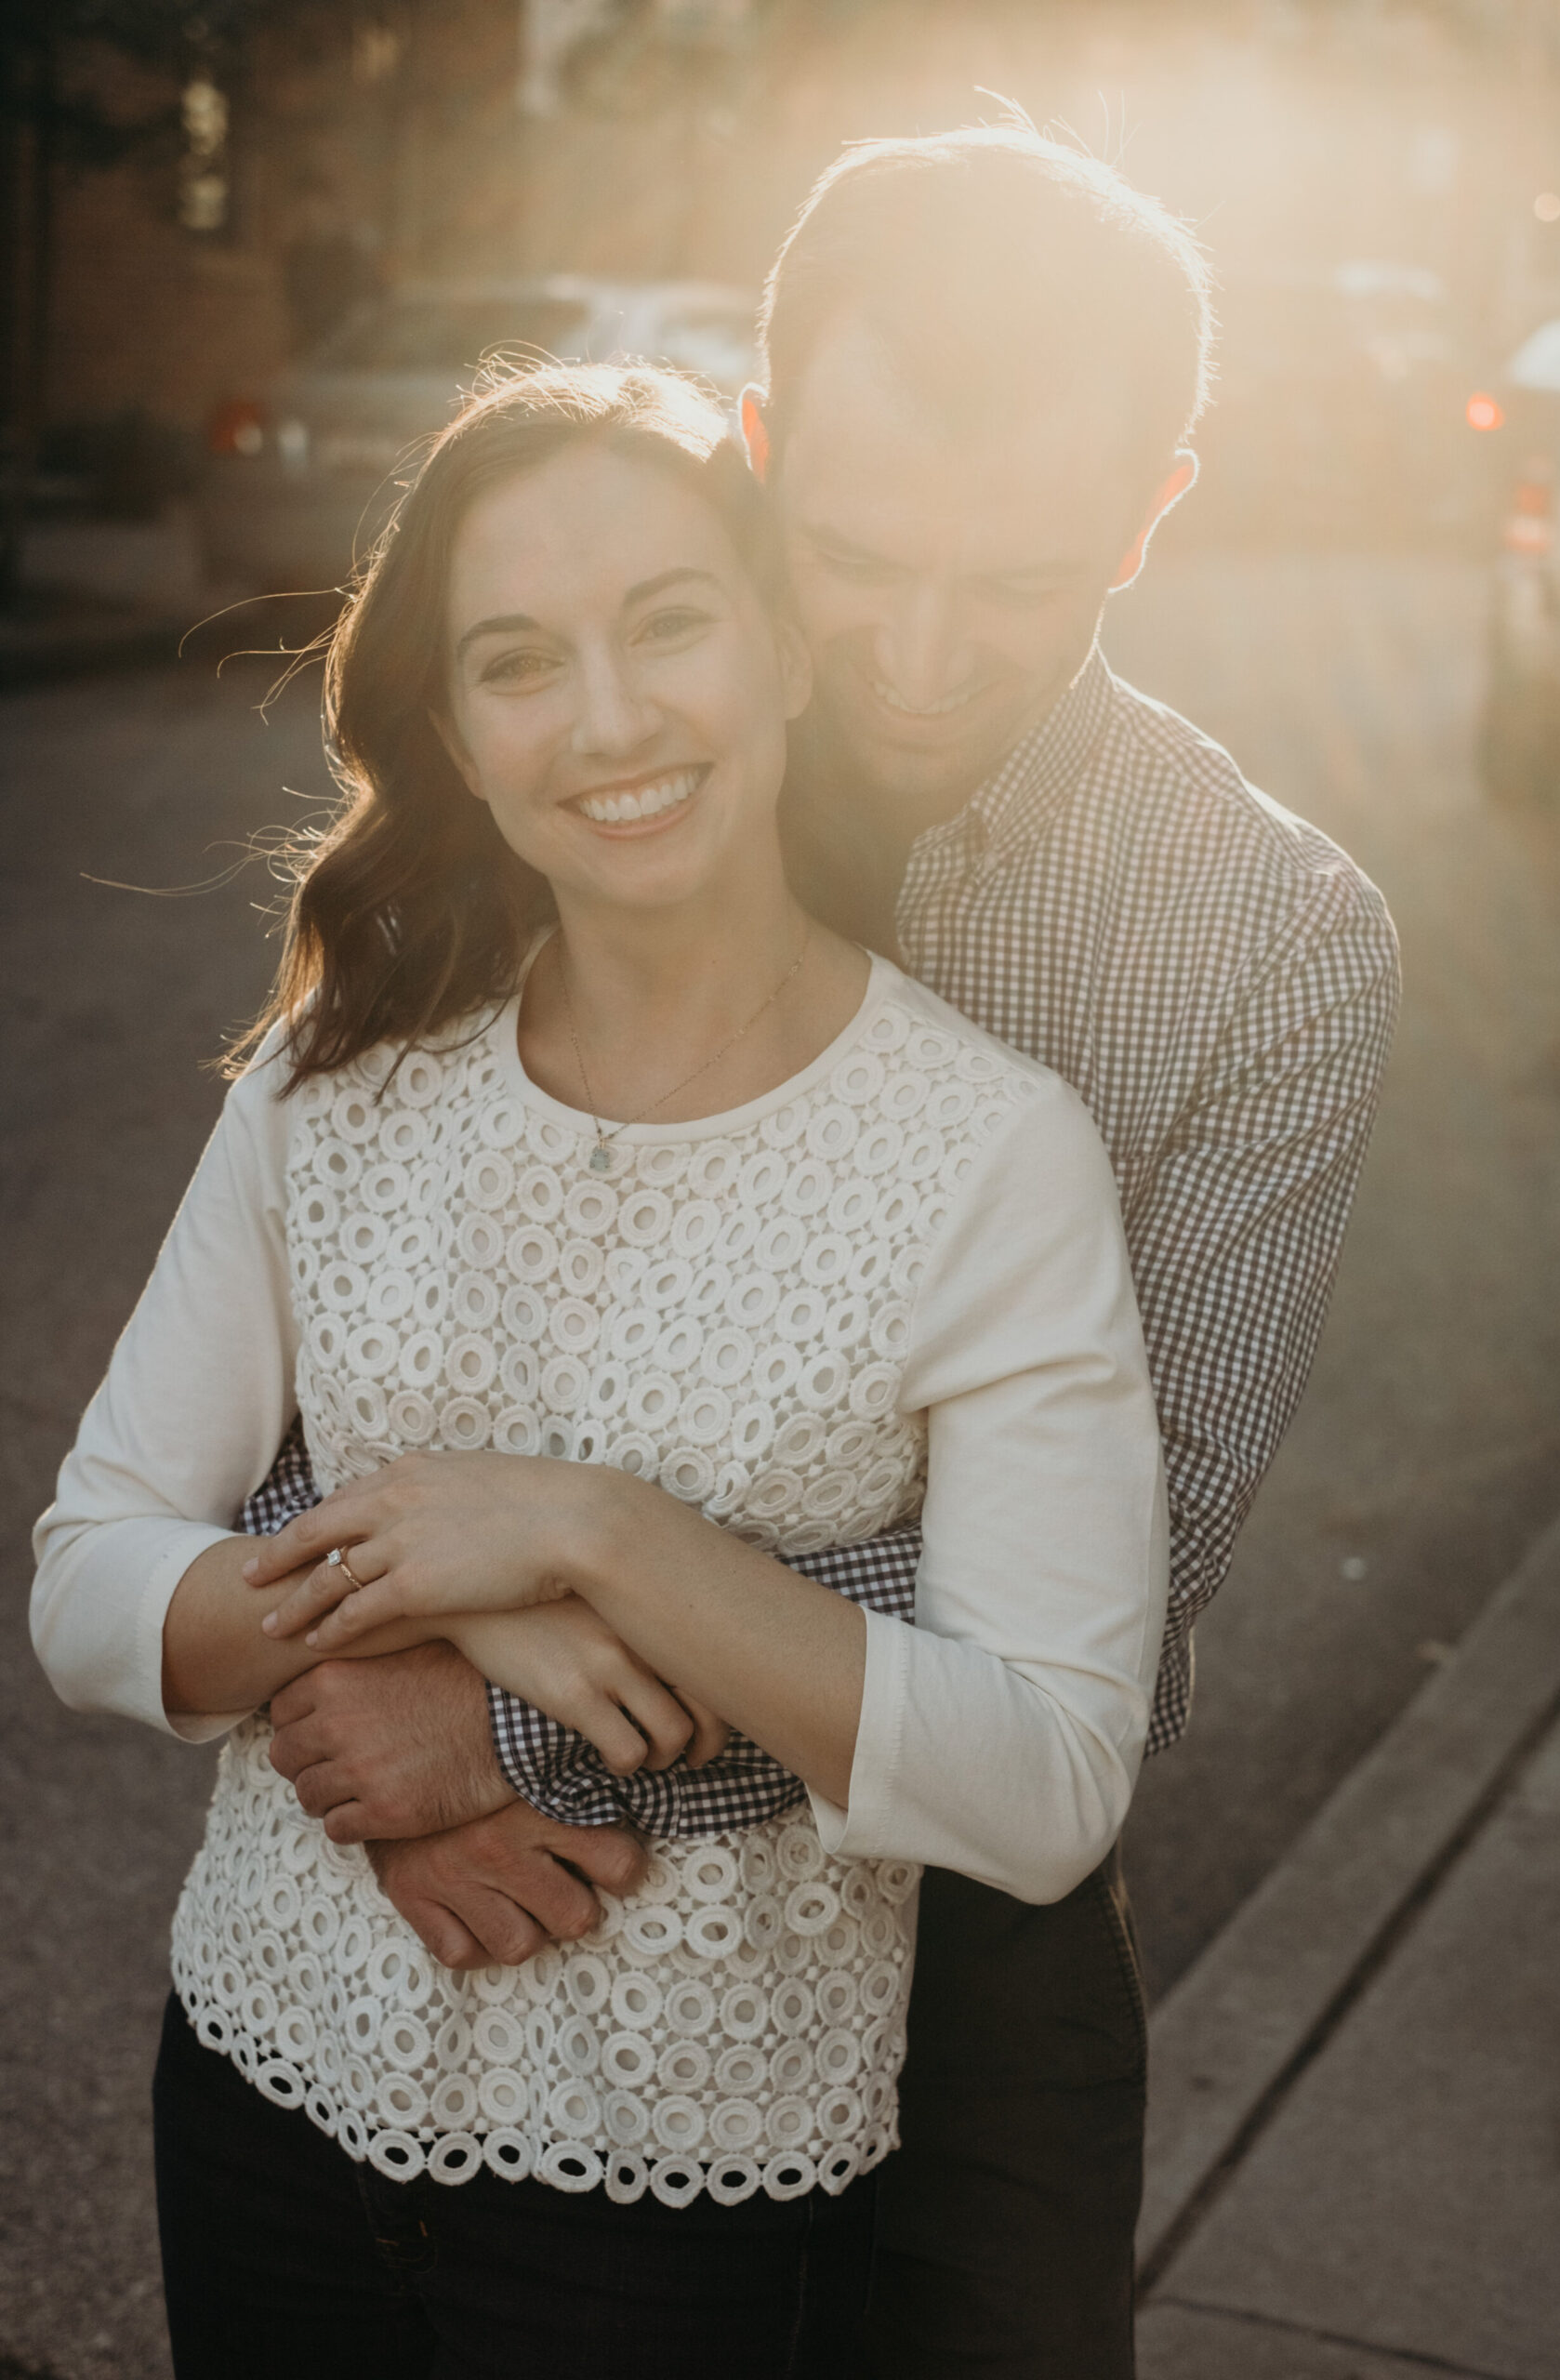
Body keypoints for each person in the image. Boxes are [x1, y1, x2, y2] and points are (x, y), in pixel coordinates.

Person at [239, 125, 1402, 2375]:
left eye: (1026, 578)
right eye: (855, 553)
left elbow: (1085, 1619)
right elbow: (305, 1339)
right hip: (462, 1895)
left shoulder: (1272, 946)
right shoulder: (587, 750)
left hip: (948, 1941)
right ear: (761, 443)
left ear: (1155, 505)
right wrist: (354, 1656)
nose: (919, 651)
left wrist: (502, 1706)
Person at [32, 360, 1168, 2376]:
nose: (613, 721)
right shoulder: (338, 1077)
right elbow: (93, 1574)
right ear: (457, 736)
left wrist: (590, 1536)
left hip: (687, 2217)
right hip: (261, 2094)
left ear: (781, 653)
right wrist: (409, 1628)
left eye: (667, 624)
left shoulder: (987, 1153)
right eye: (518, 661)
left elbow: (1042, 1772)